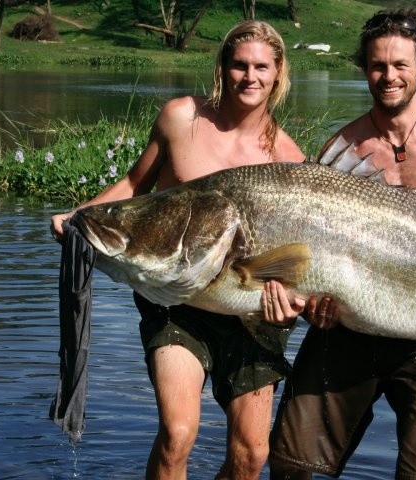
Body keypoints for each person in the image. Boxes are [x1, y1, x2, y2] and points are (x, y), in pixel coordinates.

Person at [50, 20, 305, 480]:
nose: (250, 77)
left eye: (261, 67)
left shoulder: (289, 159)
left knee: (251, 454)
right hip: (176, 299)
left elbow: (303, 264)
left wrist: (294, 304)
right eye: (239, 65)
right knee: (178, 432)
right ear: (223, 67)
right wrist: (78, 215)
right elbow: (133, 184)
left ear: (278, 72)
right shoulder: (180, 118)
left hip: (250, 310)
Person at [267, 8, 416, 479]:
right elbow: (316, 253)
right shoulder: (343, 147)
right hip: (346, 331)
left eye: (400, 65)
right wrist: (312, 301)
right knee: (291, 463)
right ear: (365, 69)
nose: (388, 76)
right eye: (378, 65)